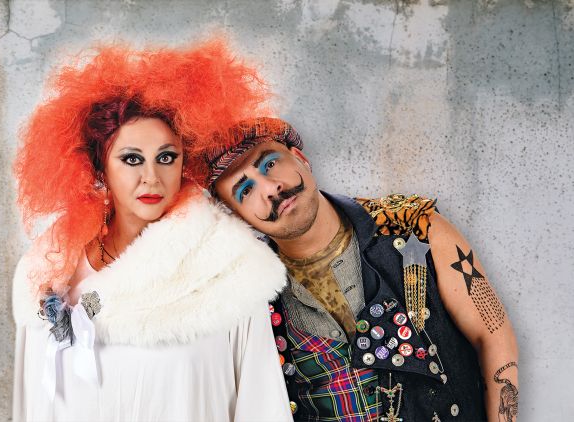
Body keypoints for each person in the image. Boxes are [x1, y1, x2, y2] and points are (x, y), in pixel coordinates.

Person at [11, 41, 292, 421]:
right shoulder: (43, 273)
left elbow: (262, 407)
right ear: (99, 168)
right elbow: (33, 405)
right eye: (131, 159)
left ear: (184, 162)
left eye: (166, 157)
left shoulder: (231, 271)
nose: (151, 177)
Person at [203, 117, 519, 421]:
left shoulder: (414, 227)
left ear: (300, 158)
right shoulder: (251, 298)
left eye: (270, 164)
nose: (270, 189)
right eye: (245, 190)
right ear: (238, 218)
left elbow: (493, 336)